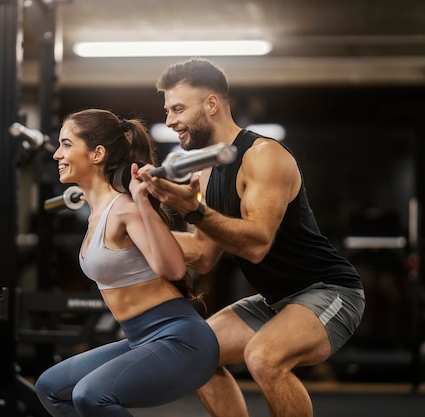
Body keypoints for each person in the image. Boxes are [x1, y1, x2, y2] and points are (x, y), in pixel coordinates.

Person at [137, 57, 366, 417]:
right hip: (277, 299)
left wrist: (193, 211)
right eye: (168, 110)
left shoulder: (263, 156)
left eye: (178, 108)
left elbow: (257, 245)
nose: (169, 121)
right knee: (195, 354)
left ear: (211, 104)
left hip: (330, 290)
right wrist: (138, 225)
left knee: (263, 358)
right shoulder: (209, 172)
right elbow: (203, 253)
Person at [34, 108, 220, 417]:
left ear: (97, 154)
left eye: (66, 144)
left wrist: (141, 201)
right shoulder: (99, 210)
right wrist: (88, 195)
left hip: (181, 340)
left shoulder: (125, 209)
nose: (57, 154)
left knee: (90, 395)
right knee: (50, 387)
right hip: (139, 338)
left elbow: (174, 269)